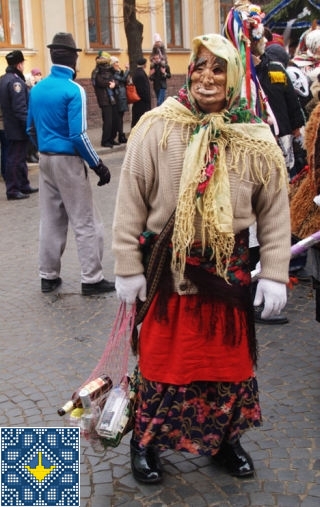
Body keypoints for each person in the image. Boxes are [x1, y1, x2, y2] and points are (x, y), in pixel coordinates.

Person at [112, 34, 291, 484]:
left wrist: (273, 272)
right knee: (161, 359)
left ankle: (224, 440)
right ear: (188, 71)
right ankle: (145, 441)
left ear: (233, 79)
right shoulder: (156, 126)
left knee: (227, 364)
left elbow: (274, 211)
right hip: (167, 269)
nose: (207, 78)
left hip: (228, 274)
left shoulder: (256, 137)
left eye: (219, 69)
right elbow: (129, 202)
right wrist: (126, 266)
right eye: (199, 67)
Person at [27, 32, 115, 296]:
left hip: (45, 158)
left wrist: (44, 147)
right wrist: (97, 164)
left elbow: (30, 128)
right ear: (74, 58)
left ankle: (48, 275)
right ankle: (92, 278)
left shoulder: (38, 88)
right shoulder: (73, 89)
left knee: (51, 219)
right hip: (68, 160)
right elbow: (78, 135)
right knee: (85, 220)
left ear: (53, 56)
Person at [0, 50, 38, 200]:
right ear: (19, 64)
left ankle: (23, 185)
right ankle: (14, 189)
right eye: (22, 63)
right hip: (15, 127)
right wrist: (29, 126)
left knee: (18, 157)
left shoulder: (4, 78)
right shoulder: (16, 82)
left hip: (8, 125)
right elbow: (20, 108)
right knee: (15, 158)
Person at [92, 51, 119, 148]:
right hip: (104, 99)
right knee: (108, 121)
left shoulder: (110, 70)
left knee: (115, 120)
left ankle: (112, 138)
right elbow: (100, 82)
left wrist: (115, 84)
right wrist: (110, 84)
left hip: (113, 98)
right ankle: (105, 140)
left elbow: (116, 79)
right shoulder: (96, 71)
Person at [110, 57, 129, 143]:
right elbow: (123, 79)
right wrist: (127, 70)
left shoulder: (117, 72)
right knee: (118, 118)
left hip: (122, 96)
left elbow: (124, 81)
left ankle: (121, 135)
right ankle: (120, 136)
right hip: (118, 97)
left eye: (118, 62)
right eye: (116, 62)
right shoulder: (113, 73)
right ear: (112, 64)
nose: (118, 64)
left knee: (120, 117)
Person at [131, 58, 151, 128]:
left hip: (140, 101)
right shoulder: (140, 74)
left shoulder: (138, 72)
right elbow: (142, 89)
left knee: (138, 119)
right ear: (144, 64)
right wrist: (147, 99)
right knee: (140, 119)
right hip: (142, 102)